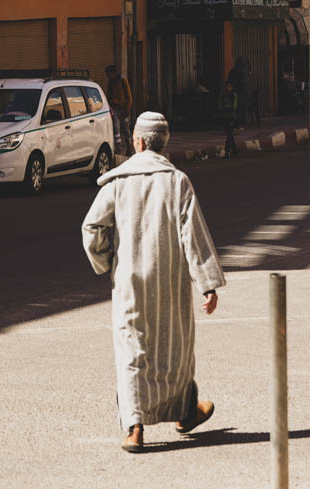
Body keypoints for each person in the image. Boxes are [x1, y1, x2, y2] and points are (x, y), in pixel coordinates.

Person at [82, 112, 225, 453]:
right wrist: (207, 283)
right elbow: (195, 236)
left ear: (139, 142)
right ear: (163, 143)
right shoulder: (178, 182)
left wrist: (107, 262)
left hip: (129, 282)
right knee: (175, 349)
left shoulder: (117, 182)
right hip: (170, 282)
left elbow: (92, 228)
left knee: (133, 349)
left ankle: (135, 429)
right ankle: (185, 411)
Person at [105, 64, 133, 156]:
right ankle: (118, 149)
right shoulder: (110, 83)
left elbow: (129, 96)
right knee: (116, 131)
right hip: (115, 110)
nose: (108, 76)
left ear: (113, 73)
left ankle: (129, 149)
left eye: (109, 74)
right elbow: (108, 96)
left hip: (124, 109)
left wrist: (127, 109)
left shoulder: (122, 81)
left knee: (126, 130)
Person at [227, 56, 250, 129]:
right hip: (240, 92)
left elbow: (229, 82)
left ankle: (237, 123)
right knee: (240, 107)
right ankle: (238, 123)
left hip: (235, 92)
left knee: (237, 108)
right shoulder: (241, 71)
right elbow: (242, 82)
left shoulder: (233, 70)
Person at [219, 80, 239, 159]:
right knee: (229, 134)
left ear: (232, 87)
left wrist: (225, 107)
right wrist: (226, 108)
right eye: (226, 86)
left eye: (229, 86)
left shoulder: (234, 95)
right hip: (224, 117)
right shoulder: (223, 95)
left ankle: (227, 151)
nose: (227, 88)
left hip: (231, 117)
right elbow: (220, 106)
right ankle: (234, 149)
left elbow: (234, 107)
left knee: (229, 134)